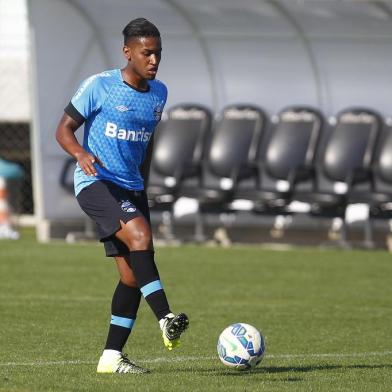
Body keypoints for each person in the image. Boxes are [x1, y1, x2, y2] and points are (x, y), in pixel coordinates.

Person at [55, 17, 189, 374]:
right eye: (147, 53)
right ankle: (165, 318)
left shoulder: (159, 93)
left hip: (131, 187)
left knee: (131, 275)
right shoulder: (99, 86)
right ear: (127, 52)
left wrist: (142, 187)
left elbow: (145, 146)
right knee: (141, 235)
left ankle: (111, 357)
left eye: (158, 53)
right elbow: (63, 130)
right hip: (96, 182)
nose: (154, 60)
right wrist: (80, 154)